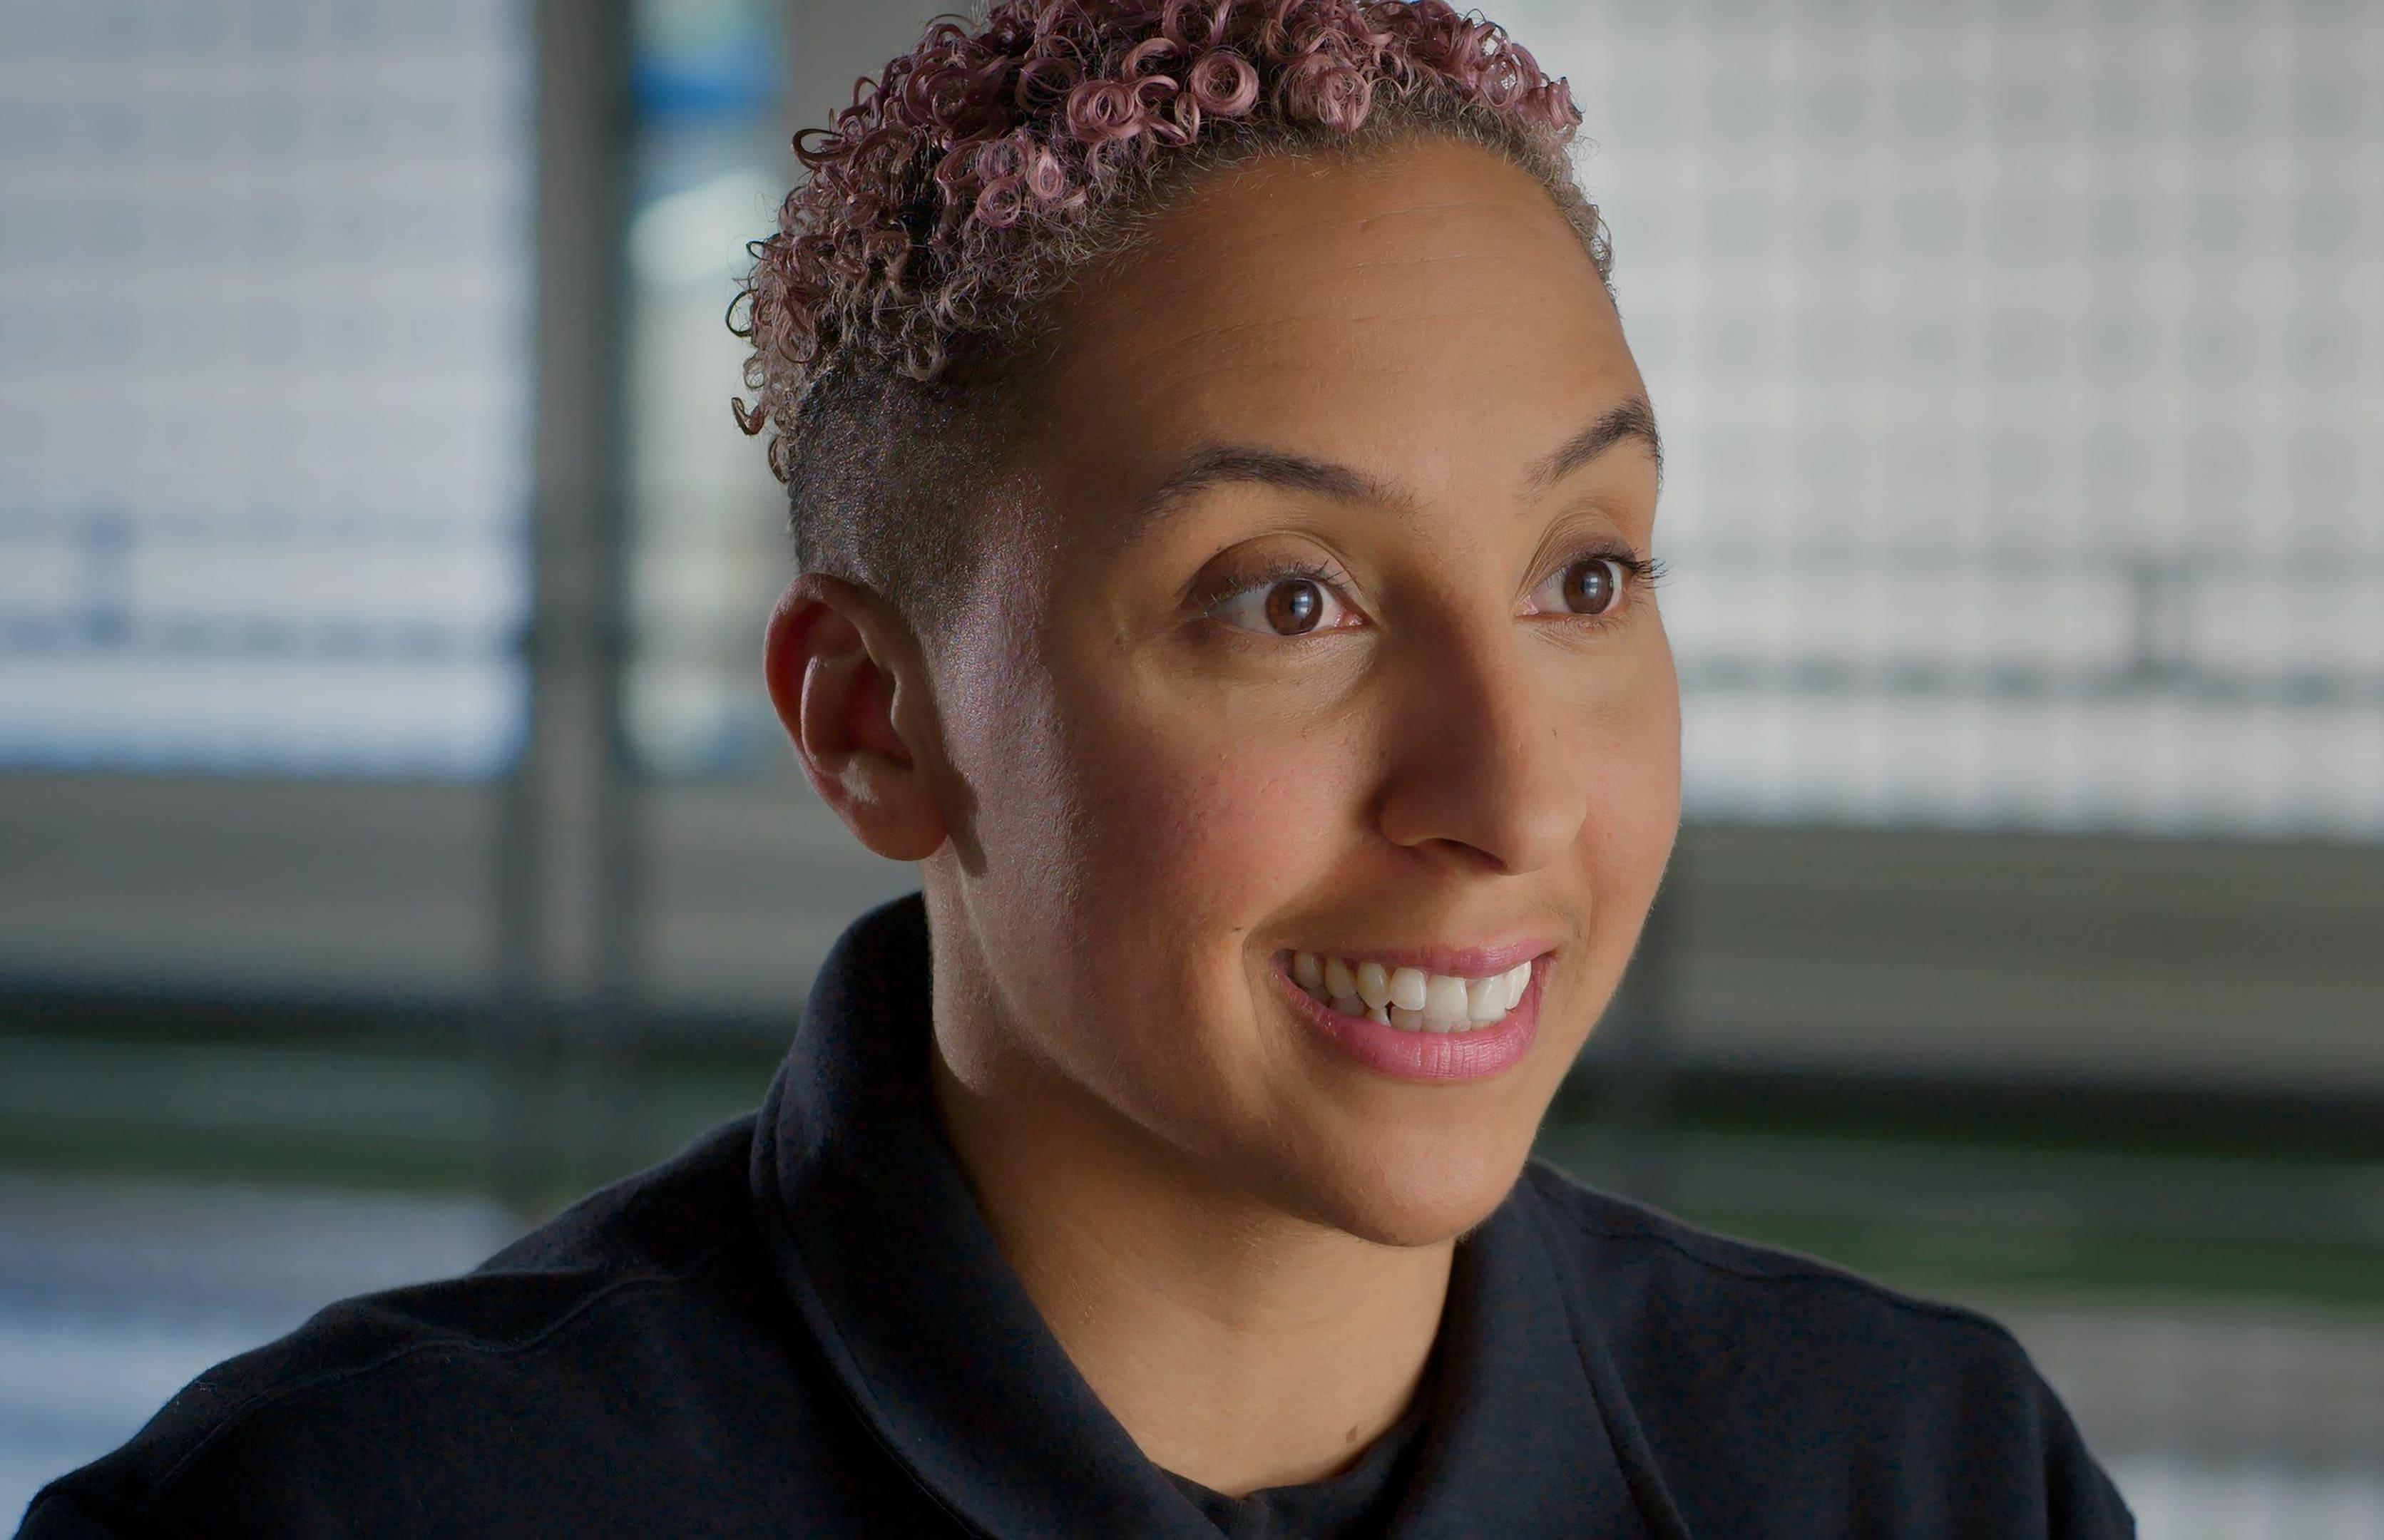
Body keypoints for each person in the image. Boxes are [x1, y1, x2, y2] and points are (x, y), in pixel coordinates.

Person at [19, 1, 2134, 1534]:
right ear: (874, 721)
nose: (1510, 796)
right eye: (1288, 600)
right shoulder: (352, 1521)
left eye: (1585, 574)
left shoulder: (1918, 1478)